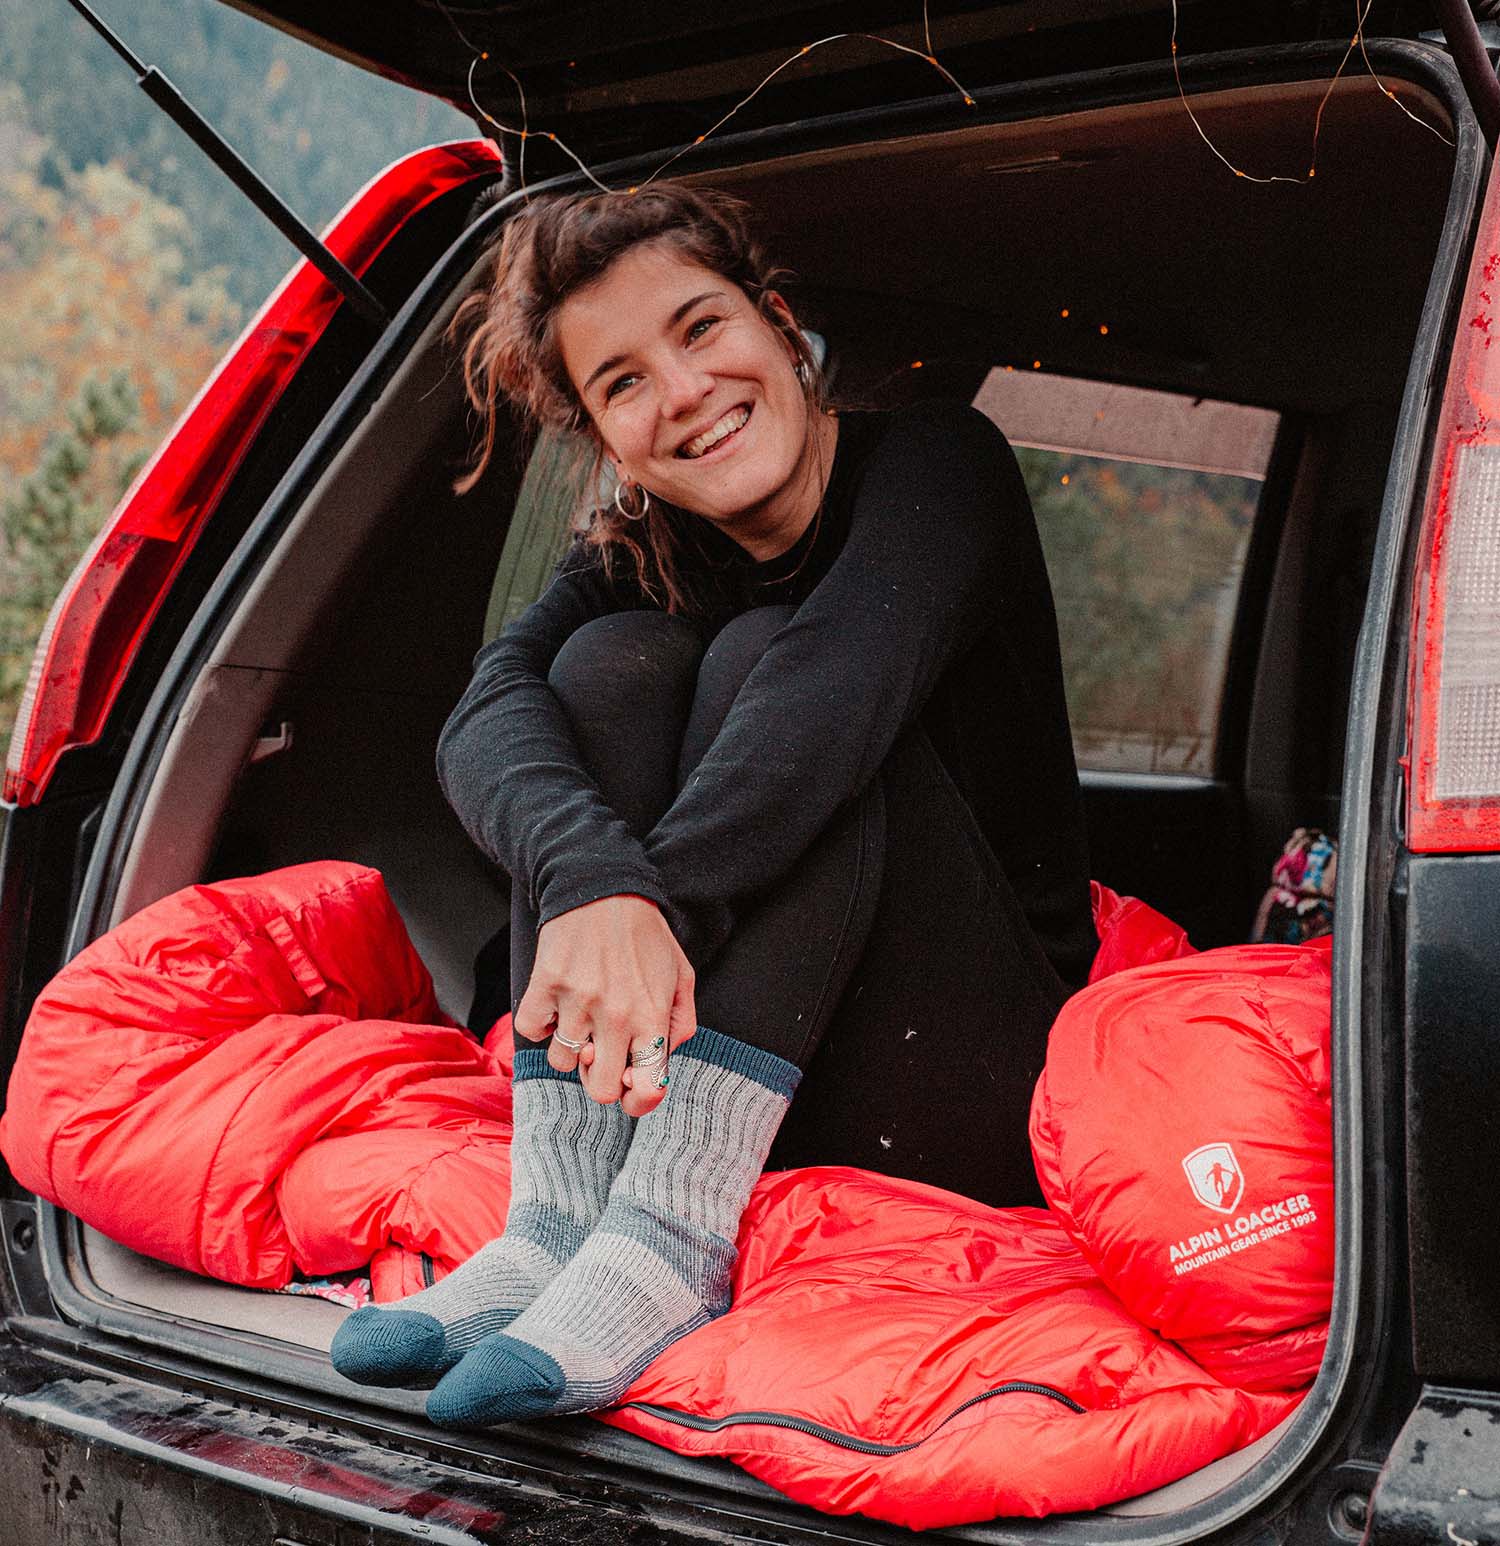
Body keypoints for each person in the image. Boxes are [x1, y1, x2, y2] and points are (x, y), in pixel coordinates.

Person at [330, 183, 1096, 1431]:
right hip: (747, 1058)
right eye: (622, 382)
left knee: (763, 666)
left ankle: (668, 1242)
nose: (681, 391)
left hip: (973, 1068)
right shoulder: (643, 543)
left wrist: (645, 916)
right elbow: (484, 713)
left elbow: (834, 691)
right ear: (606, 438)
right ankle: (557, 1223)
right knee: (601, 673)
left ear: (781, 325)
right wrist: (593, 884)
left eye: (700, 329)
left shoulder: (941, 468)